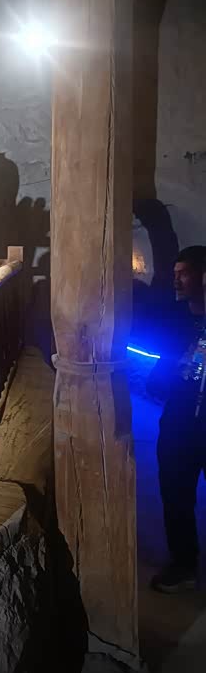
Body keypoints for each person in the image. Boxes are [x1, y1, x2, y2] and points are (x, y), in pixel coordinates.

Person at [149, 246, 206, 593]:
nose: (177, 281)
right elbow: (159, 377)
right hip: (178, 426)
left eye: (184, 274)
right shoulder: (176, 319)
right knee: (175, 496)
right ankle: (184, 563)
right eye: (175, 274)